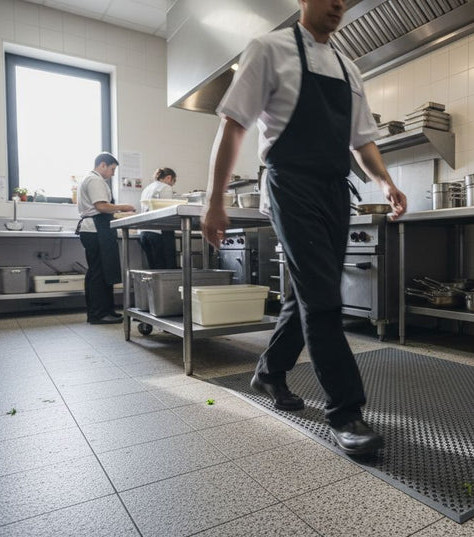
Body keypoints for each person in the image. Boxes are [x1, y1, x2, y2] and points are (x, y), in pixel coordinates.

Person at [202, 0, 407, 456]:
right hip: (289, 182)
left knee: (308, 293)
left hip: (334, 188)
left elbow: (363, 140)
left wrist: (386, 181)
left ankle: (271, 371)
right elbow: (233, 126)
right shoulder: (268, 49)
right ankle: (346, 412)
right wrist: (214, 201)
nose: (338, 4)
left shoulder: (347, 67)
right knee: (324, 299)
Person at [76, 152, 135, 324]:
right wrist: (124, 207)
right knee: (99, 273)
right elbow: (101, 206)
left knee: (104, 271)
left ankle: (106, 310)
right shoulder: (94, 180)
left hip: (97, 228)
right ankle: (98, 314)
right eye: (112, 169)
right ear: (102, 165)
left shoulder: (92, 179)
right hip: (95, 230)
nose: (113, 174)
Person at [139, 167, 177, 269]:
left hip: (144, 232)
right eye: (173, 182)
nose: (172, 186)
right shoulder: (165, 187)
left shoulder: (147, 188)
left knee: (154, 268)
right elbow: (168, 211)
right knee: (165, 268)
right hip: (158, 233)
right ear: (169, 178)